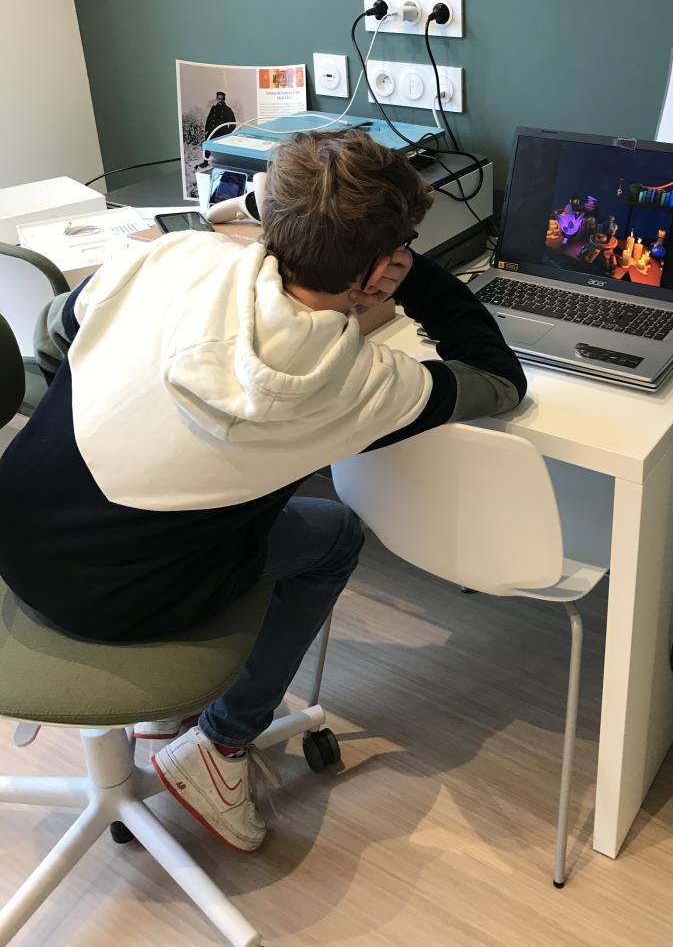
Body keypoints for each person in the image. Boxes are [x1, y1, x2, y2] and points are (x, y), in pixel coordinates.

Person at [0, 128, 526, 853]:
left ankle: (164, 719)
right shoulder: (351, 383)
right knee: (335, 535)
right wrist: (401, 271)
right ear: (378, 270)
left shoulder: (171, 257)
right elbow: (498, 380)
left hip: (16, 532)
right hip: (117, 599)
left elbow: (51, 336)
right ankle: (220, 745)